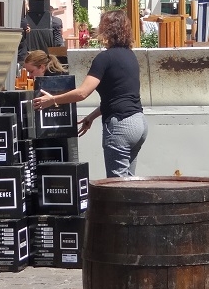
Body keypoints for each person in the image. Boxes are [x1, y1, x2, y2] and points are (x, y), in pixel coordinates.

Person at [32, 10, 147, 177]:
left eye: (101, 24)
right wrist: (91, 117)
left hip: (121, 126)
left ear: (108, 29)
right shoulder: (130, 56)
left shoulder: (104, 58)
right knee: (129, 182)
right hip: (139, 123)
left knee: (117, 185)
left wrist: (52, 100)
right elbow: (118, 96)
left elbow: (82, 93)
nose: (98, 27)